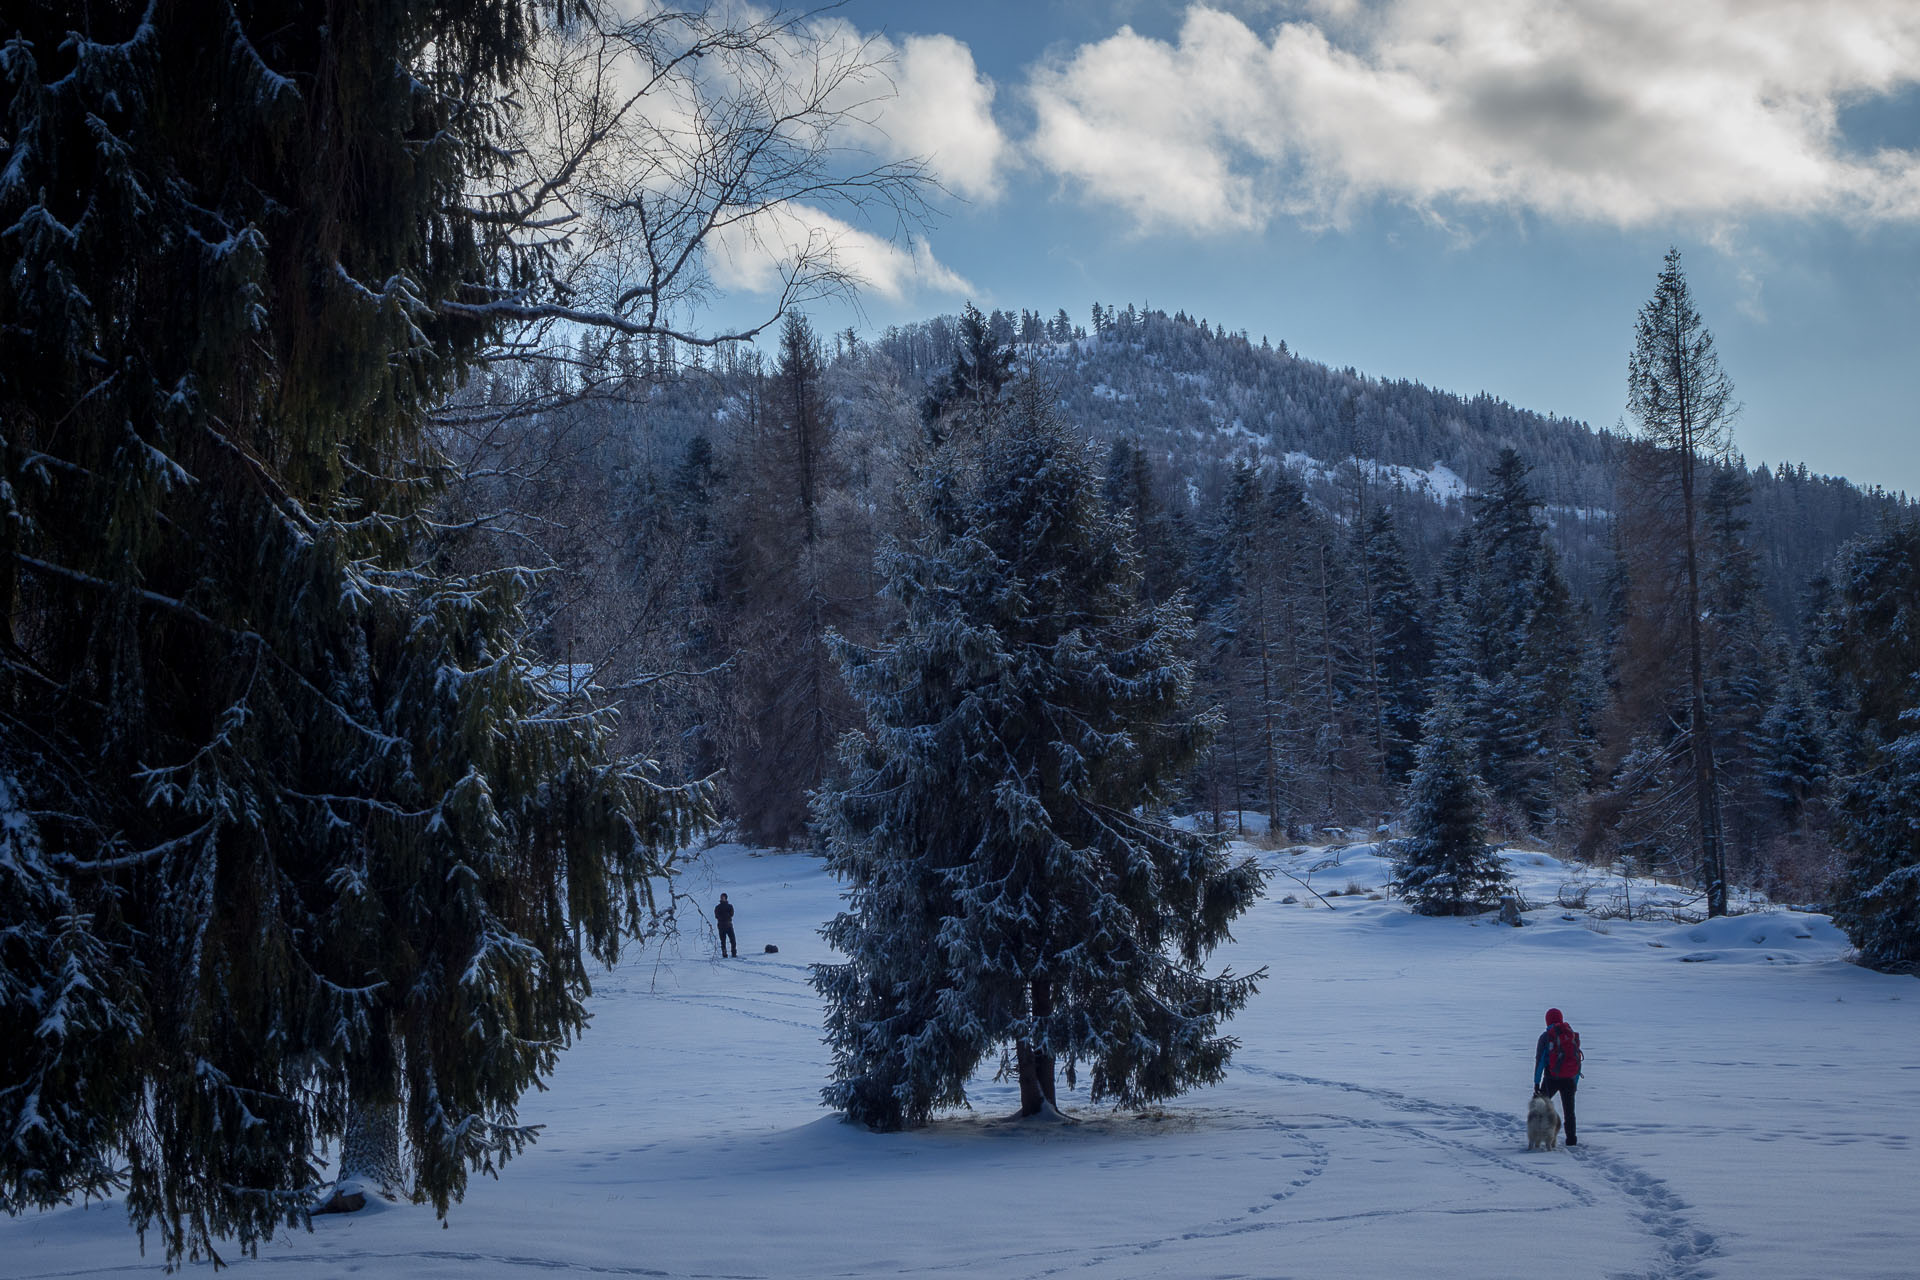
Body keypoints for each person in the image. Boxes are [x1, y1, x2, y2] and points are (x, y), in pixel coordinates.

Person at [1534, 1007, 1583, 1146]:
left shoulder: (1546, 1037)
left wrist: (1536, 1082)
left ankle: (1538, 1138)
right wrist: (1575, 1082)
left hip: (1551, 1078)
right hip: (1569, 1079)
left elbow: (1540, 1061)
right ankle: (1571, 1140)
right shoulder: (1570, 1034)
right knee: (1569, 1112)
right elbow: (1577, 1060)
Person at [715, 893, 738, 958]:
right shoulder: (718, 907)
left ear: (726, 898)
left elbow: (732, 914)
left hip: (729, 925)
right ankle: (724, 954)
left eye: (723, 897)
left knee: (733, 940)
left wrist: (726, 916)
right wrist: (723, 916)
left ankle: (734, 953)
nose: (721, 898)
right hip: (721, 926)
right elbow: (716, 915)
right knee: (723, 941)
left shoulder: (730, 906)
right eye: (721, 897)